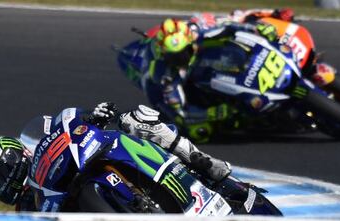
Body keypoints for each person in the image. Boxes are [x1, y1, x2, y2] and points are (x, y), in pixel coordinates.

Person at [0, 102, 231, 212]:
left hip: (85, 165)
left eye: (1, 174)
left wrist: (91, 115)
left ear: (22, 157)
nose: (2, 184)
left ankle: (201, 162)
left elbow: (63, 124)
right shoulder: (25, 211)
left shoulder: (43, 163)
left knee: (133, 122)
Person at [120, 9, 294, 143]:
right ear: (165, 55)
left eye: (183, 52)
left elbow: (232, 23)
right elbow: (181, 113)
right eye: (175, 56)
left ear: (190, 40)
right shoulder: (164, 75)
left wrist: (256, 29)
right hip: (195, 89)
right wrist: (214, 113)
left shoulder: (198, 28)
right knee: (199, 132)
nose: (181, 58)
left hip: (217, 58)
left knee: (255, 23)